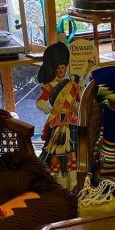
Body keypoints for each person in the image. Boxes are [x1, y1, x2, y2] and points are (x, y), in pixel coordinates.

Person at [36, 41, 80, 191]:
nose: (61, 70)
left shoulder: (72, 84)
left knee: (72, 153)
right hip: (56, 122)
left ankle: (73, 182)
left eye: (63, 67)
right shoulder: (49, 86)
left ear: (66, 67)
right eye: (58, 68)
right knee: (56, 153)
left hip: (71, 121)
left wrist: (77, 104)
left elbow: (78, 100)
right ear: (55, 69)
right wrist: (47, 107)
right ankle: (59, 183)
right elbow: (40, 101)